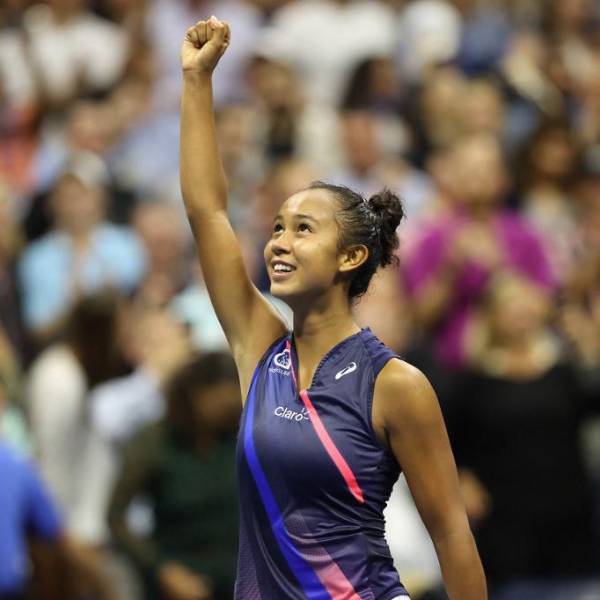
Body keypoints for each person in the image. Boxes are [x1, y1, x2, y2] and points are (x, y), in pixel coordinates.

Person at [179, 16, 486, 600]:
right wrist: (197, 81)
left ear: (350, 256)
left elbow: (451, 534)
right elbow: (207, 213)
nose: (279, 243)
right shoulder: (260, 349)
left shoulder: (396, 385)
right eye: (277, 227)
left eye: (303, 229)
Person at [108, 353, 241, 600]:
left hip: (237, 578)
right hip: (179, 578)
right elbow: (115, 517)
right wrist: (161, 569)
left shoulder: (241, 436)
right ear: (197, 396)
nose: (229, 413)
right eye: (222, 405)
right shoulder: (154, 442)